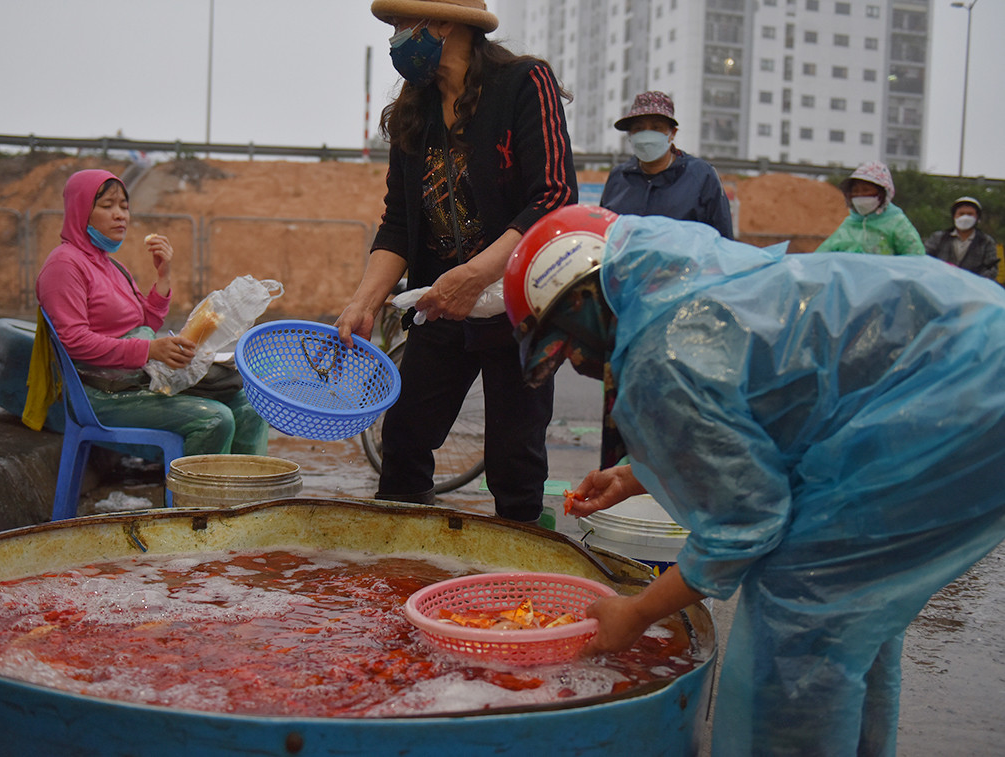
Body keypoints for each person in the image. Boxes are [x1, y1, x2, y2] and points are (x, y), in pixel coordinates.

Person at [503, 205, 1005, 756]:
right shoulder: (686, 283)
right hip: (973, 353)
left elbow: (744, 527)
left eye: (567, 341)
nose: (575, 358)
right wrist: (637, 476)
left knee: (805, 602)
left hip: (956, 398)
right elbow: (765, 415)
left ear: (583, 296)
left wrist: (637, 612)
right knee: (858, 610)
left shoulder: (661, 348)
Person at [334, 0, 577, 522]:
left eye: (402, 26)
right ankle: (402, 565)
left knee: (515, 459)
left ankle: (515, 583)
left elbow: (554, 196)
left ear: (443, 24)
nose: (396, 40)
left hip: (519, 307)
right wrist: (363, 302)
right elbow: (398, 220)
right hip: (440, 302)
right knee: (404, 440)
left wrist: (478, 273)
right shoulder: (413, 112)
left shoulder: (523, 84)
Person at [33, 168, 268, 457]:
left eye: (124, 206)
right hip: (101, 395)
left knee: (250, 407)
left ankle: (247, 496)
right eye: (107, 206)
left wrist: (163, 275)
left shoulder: (112, 266)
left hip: (135, 380)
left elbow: (145, 323)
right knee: (214, 419)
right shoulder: (64, 266)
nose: (120, 215)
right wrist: (149, 350)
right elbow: (74, 341)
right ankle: (197, 500)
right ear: (80, 210)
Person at [599, 91, 733, 239]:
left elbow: (723, 239)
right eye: (638, 128)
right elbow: (603, 235)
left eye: (656, 127)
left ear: (672, 133)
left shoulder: (701, 176)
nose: (646, 135)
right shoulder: (619, 178)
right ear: (630, 135)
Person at [815, 160, 925, 256]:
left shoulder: (897, 224)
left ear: (882, 193)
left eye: (866, 190)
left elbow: (916, 259)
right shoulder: (849, 225)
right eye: (855, 191)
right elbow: (821, 257)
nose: (859, 195)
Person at [924, 195, 1000, 280]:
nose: (965, 217)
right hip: (940, 286)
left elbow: (992, 268)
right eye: (961, 214)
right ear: (954, 216)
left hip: (972, 289)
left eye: (970, 214)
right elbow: (925, 259)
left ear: (977, 217)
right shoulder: (938, 238)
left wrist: (975, 281)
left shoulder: (986, 241)